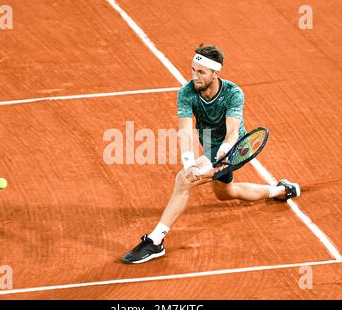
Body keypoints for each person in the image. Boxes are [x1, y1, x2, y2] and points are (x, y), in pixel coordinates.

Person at [121, 44, 300, 264]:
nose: (194, 76)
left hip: (233, 148)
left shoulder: (233, 93)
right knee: (225, 193)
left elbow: (232, 133)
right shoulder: (187, 93)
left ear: (216, 74)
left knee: (182, 181)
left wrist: (215, 160)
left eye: (201, 72)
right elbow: (185, 131)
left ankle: (155, 241)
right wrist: (189, 163)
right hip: (209, 145)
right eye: (193, 70)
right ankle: (281, 190)